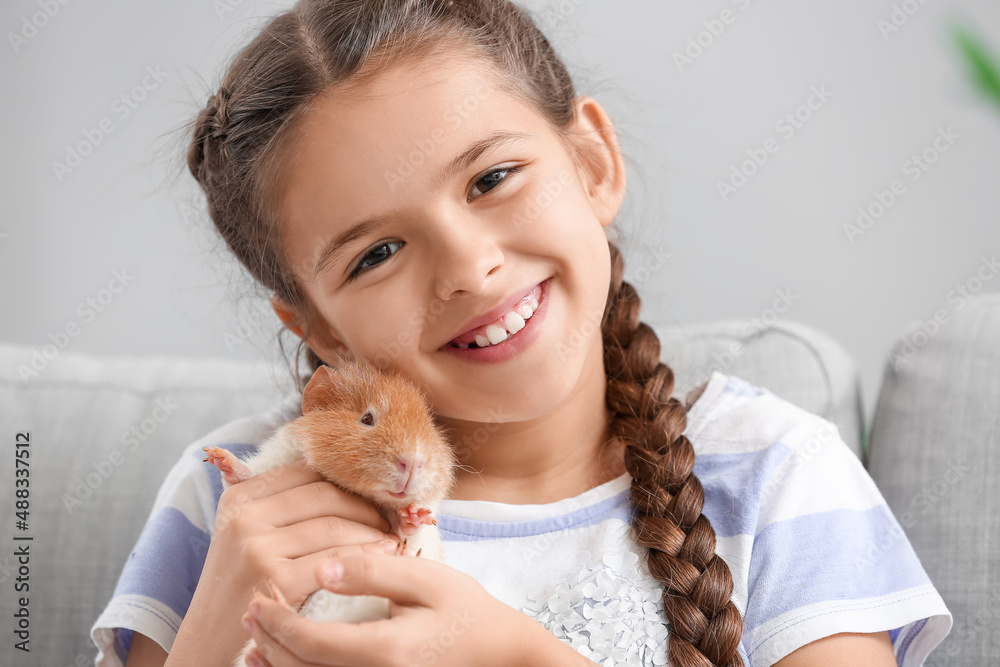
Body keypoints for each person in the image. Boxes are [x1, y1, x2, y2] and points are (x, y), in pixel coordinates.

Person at [91, 1, 953, 665]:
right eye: (379, 252)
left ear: (591, 164)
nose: (468, 267)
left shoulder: (775, 474)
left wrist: (520, 653)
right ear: (319, 327)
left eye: (492, 177)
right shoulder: (235, 505)